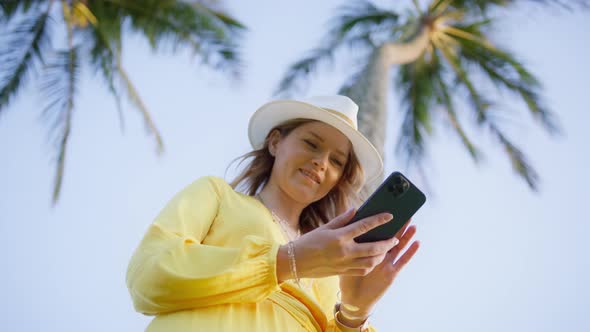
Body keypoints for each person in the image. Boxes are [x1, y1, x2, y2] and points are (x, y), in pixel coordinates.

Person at [126, 95, 420, 331]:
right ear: (276, 141)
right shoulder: (217, 195)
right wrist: (288, 261)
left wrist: (354, 314)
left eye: (336, 160)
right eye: (311, 143)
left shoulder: (333, 268)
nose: (321, 162)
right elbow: (149, 274)